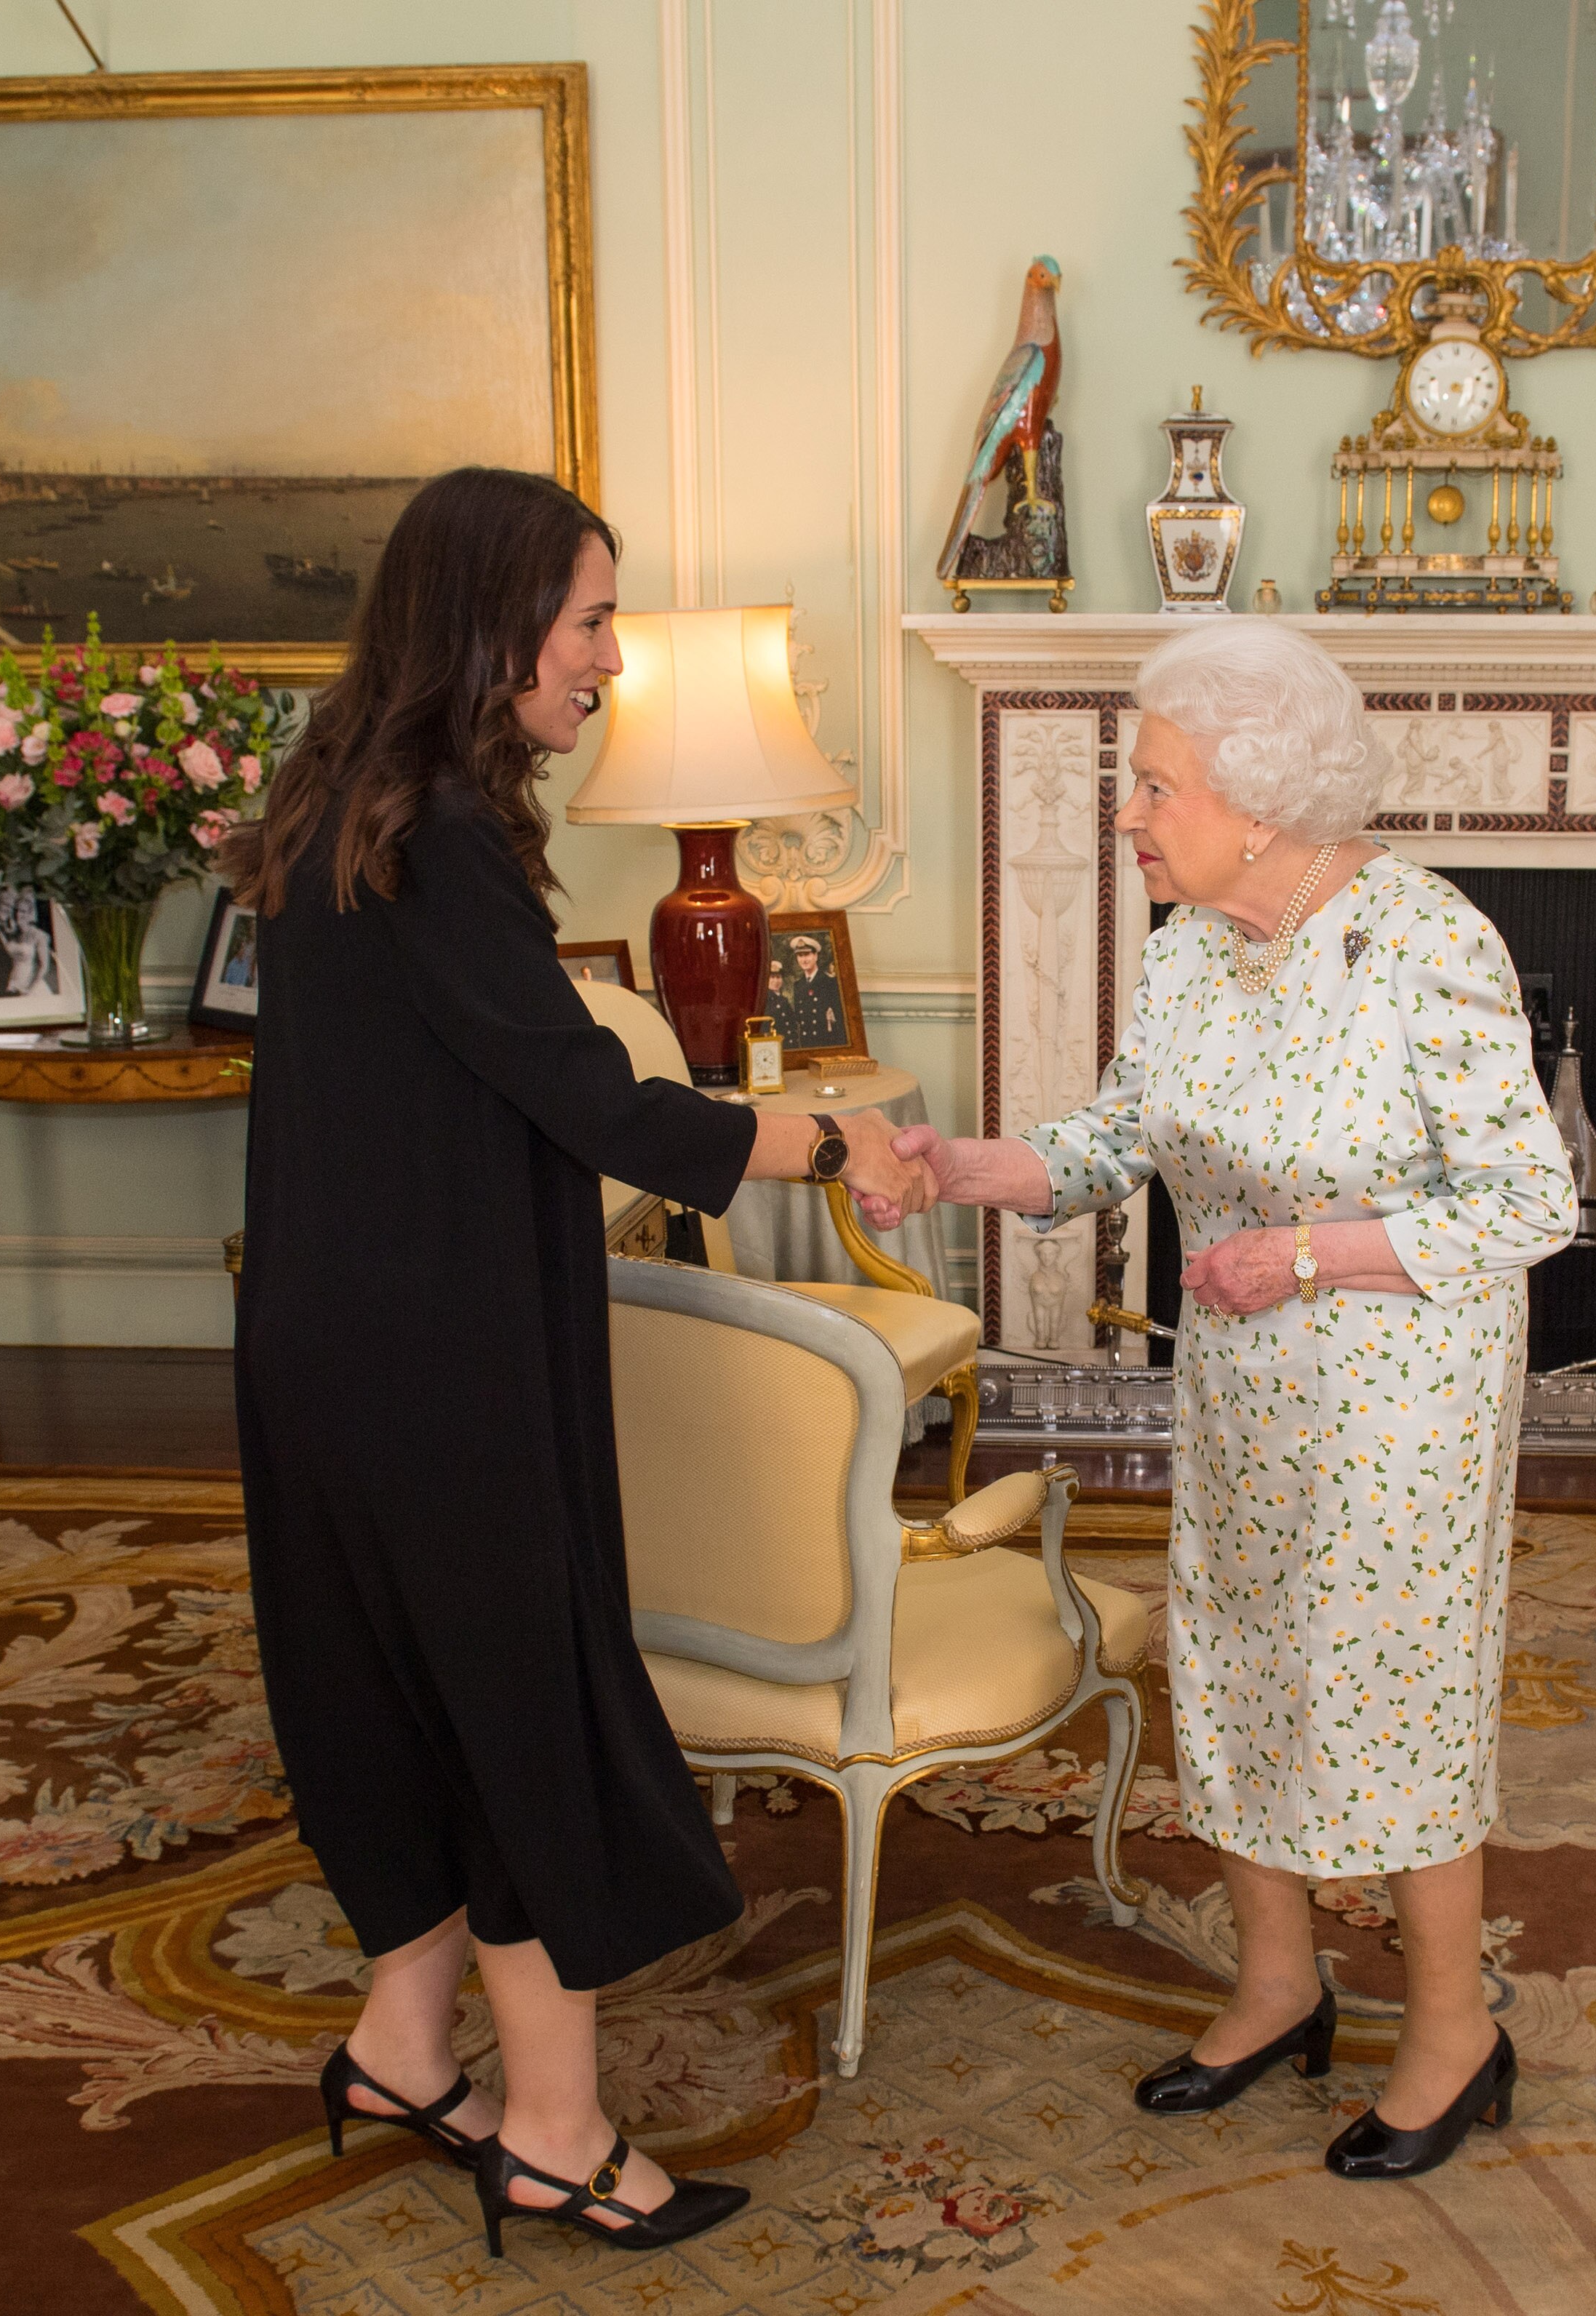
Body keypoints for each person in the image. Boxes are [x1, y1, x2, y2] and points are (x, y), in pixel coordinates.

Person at [220, 466, 933, 2256]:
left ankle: (401, 2040)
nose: (610, 657)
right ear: (491, 624)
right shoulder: (443, 832)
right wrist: (830, 1143)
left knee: (389, 1689)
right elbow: (588, 1093)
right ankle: (551, 2127)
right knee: (519, 1711)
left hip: (327, 1334)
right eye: (593, 618)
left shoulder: (335, 802)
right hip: (442, 1355)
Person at [893, 620, 1574, 2182]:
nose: (1129, 812)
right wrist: (965, 1165)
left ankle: (1457, 2028)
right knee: (1245, 1650)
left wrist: (1309, 1255)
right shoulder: (1194, 941)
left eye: (1154, 784)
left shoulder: (1429, 939)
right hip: (1248, 1379)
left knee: (1385, 1686)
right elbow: (1111, 1139)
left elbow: (1526, 1198)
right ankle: (1278, 1984)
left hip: (1405, 1385)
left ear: (1258, 803)